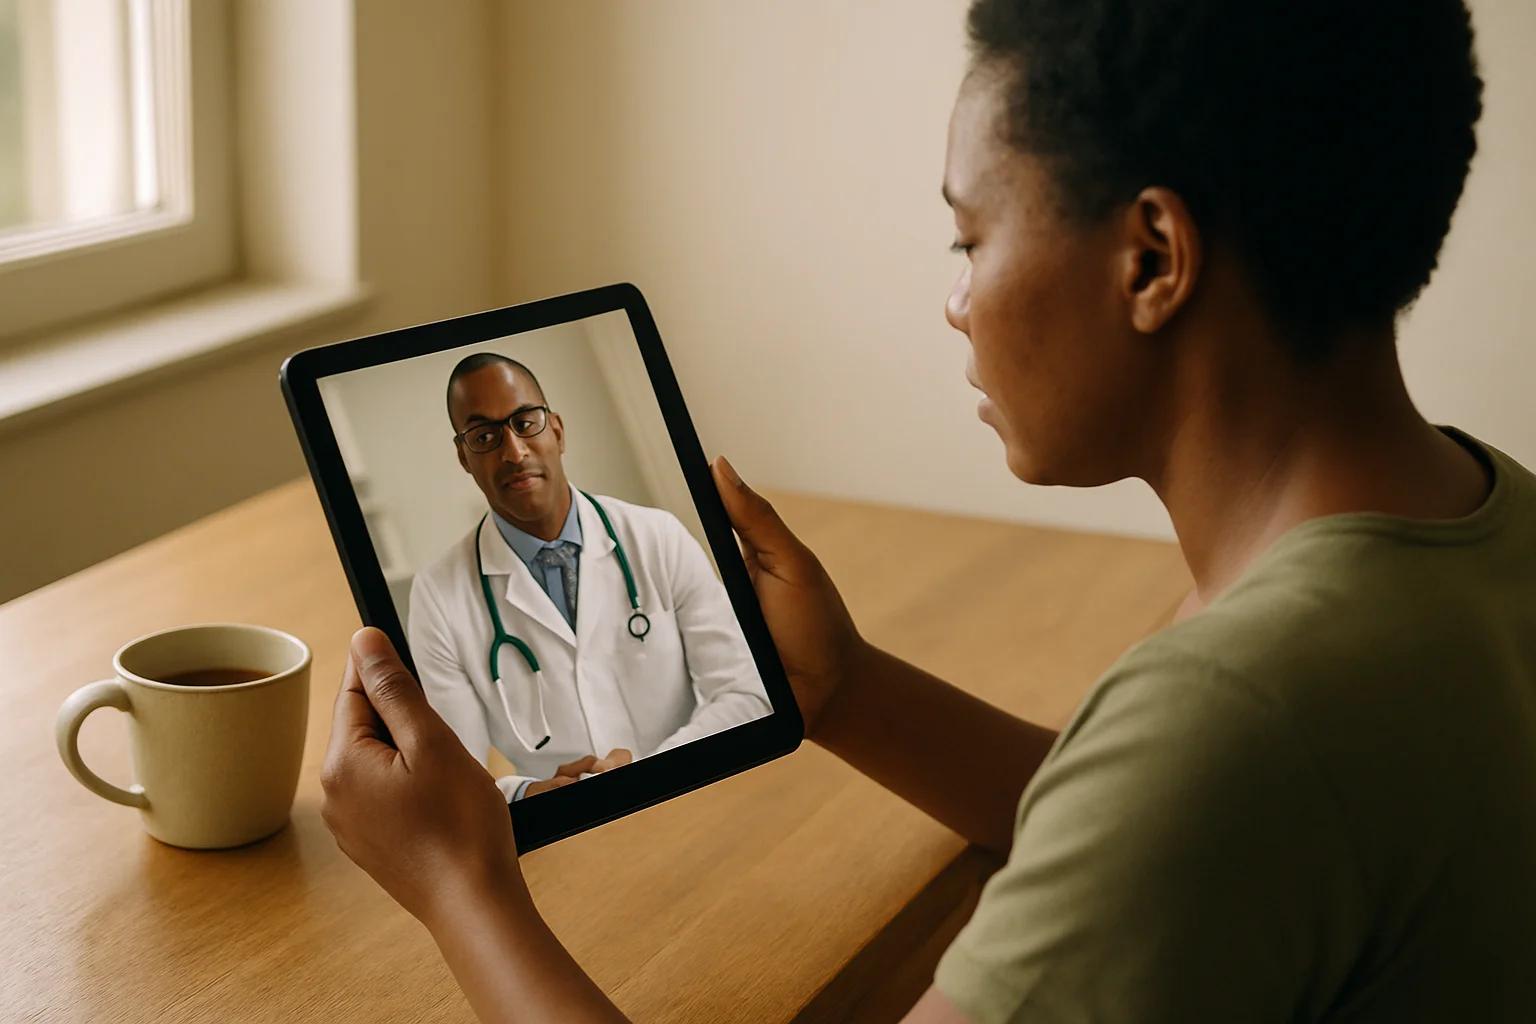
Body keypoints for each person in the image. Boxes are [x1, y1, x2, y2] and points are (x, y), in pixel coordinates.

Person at [318, 0, 1536, 1020]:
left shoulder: (1234, 724)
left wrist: (460, 887)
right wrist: (847, 685)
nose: (957, 302)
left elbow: (1182, 798)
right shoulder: (1480, 526)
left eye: (968, 237)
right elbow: (1147, 833)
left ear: (1153, 259)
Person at [407, 352, 771, 801]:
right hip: (563, 830)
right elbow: (452, 779)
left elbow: (747, 694)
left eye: (525, 423)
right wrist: (527, 794)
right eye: (484, 436)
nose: (514, 452)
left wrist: (652, 770)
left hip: (696, 792)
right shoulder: (439, 595)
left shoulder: (658, 537)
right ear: (464, 457)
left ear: (557, 431)